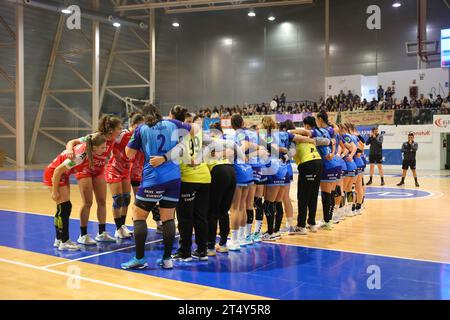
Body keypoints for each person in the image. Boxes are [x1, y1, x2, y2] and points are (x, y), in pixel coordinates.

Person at [121, 104, 192, 270]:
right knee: (168, 218)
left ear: (144, 116)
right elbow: (193, 130)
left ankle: (140, 258)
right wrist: (171, 152)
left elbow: (128, 154)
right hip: (174, 178)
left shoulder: (141, 129)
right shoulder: (173, 124)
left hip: (154, 178)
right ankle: (167, 259)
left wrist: (135, 137)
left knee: (138, 216)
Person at [44, 133, 107, 251]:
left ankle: (58, 239)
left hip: (63, 174)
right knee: (65, 206)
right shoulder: (80, 157)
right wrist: (54, 190)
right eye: (103, 148)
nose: (105, 150)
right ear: (94, 148)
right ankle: (64, 241)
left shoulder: (88, 146)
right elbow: (57, 171)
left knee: (61, 208)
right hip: (55, 174)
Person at [66, 115, 123, 245]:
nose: (121, 131)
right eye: (119, 128)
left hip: (98, 170)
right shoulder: (94, 137)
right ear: (111, 130)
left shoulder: (113, 140)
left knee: (102, 201)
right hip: (84, 169)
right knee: (88, 203)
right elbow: (72, 142)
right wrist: (69, 150)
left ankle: (101, 233)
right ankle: (83, 235)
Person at [105, 113, 145, 239]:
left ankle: (122, 226)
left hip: (126, 171)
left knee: (126, 199)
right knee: (118, 200)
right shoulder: (122, 134)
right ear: (134, 125)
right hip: (115, 169)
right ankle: (117, 228)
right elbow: (106, 138)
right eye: (140, 125)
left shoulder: (140, 137)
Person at [204, 122, 240, 255]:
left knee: (212, 211)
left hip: (218, 171)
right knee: (224, 211)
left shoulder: (209, 140)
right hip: (231, 171)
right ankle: (223, 244)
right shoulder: (227, 141)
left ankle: (210, 247)